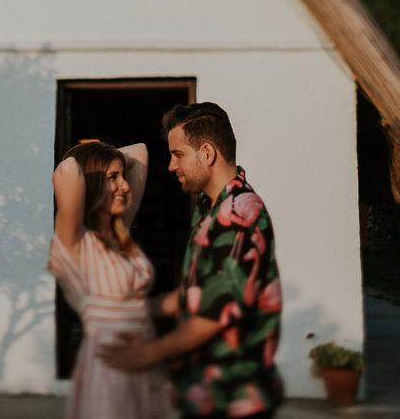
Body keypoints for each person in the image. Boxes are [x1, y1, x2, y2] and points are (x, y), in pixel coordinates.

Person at [99, 102, 283, 419]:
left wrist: (146, 355)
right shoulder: (209, 205)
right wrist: (146, 308)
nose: (171, 166)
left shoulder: (238, 215)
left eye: (178, 154)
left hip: (236, 399)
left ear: (208, 153)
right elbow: (198, 293)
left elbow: (214, 316)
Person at [49, 140, 174, 419]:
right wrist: (94, 159)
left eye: (122, 176)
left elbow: (141, 150)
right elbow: (68, 169)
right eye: (113, 178)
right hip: (109, 368)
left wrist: (108, 163)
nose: (125, 185)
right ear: (92, 184)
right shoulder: (74, 241)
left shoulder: (118, 234)